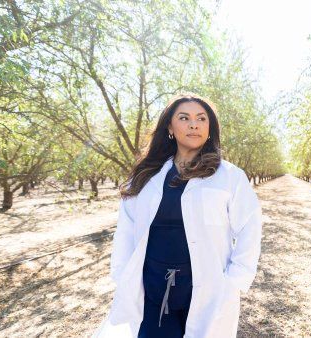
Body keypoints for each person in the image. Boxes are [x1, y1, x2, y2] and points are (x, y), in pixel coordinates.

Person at [92, 92, 263, 338]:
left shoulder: (229, 176)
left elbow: (249, 227)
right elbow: (126, 229)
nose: (194, 124)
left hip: (206, 290)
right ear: (170, 127)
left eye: (202, 118)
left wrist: (234, 281)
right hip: (152, 288)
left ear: (210, 128)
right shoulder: (146, 175)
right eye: (184, 118)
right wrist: (121, 273)